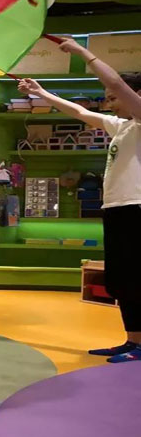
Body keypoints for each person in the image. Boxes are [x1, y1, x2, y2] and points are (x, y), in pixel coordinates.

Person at [19, 69, 141, 363]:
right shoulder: (121, 127)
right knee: (123, 280)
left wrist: (81, 52)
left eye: (114, 97)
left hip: (135, 208)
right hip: (116, 209)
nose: (109, 104)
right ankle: (134, 341)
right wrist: (41, 93)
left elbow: (118, 87)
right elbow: (79, 112)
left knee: (137, 278)